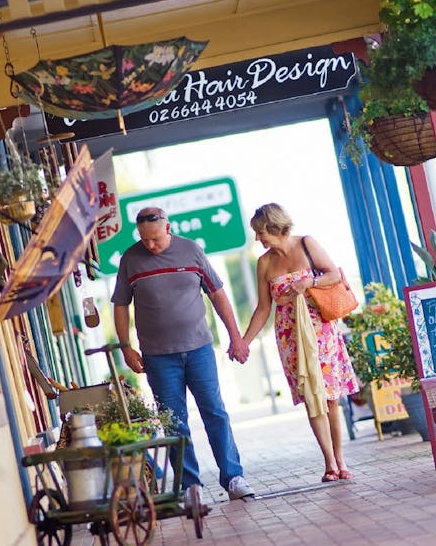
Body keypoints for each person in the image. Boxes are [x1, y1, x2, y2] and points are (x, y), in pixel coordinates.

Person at [111, 206, 255, 500]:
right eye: (144, 239)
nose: (150, 245)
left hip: (199, 349)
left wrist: (236, 337)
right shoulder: (130, 259)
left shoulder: (191, 251)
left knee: (215, 412)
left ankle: (233, 478)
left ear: (168, 228)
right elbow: (121, 305)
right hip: (158, 357)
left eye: (155, 239)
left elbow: (217, 294)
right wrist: (126, 346)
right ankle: (191, 486)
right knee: (174, 422)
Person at [237, 203, 361, 482]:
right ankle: (329, 463)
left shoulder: (306, 243)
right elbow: (263, 308)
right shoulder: (264, 263)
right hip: (290, 336)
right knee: (311, 398)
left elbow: (334, 274)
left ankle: (340, 459)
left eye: (260, 232)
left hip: (321, 332)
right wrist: (244, 342)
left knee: (329, 397)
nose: (258, 238)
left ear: (275, 227)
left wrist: (309, 283)